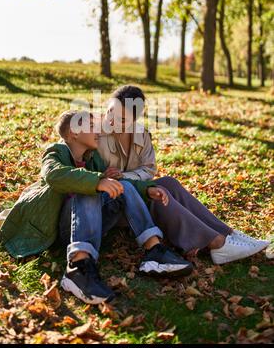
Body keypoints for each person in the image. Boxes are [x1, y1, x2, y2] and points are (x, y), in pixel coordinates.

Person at [0, 110, 193, 305]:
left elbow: (116, 183)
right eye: (91, 126)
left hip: (91, 224)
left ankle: (154, 250)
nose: (97, 131)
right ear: (74, 132)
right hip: (59, 229)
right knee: (87, 189)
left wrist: (147, 189)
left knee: (122, 185)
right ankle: (78, 268)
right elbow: (53, 175)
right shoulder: (56, 151)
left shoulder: (94, 159)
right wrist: (96, 180)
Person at [97, 85, 269, 265]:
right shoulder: (94, 133)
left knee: (168, 183)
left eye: (122, 119)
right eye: (110, 112)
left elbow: (149, 169)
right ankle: (216, 243)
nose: (112, 121)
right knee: (158, 195)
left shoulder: (141, 135)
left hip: (131, 192)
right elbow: (76, 168)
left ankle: (228, 233)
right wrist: (105, 177)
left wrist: (125, 176)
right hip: (113, 204)